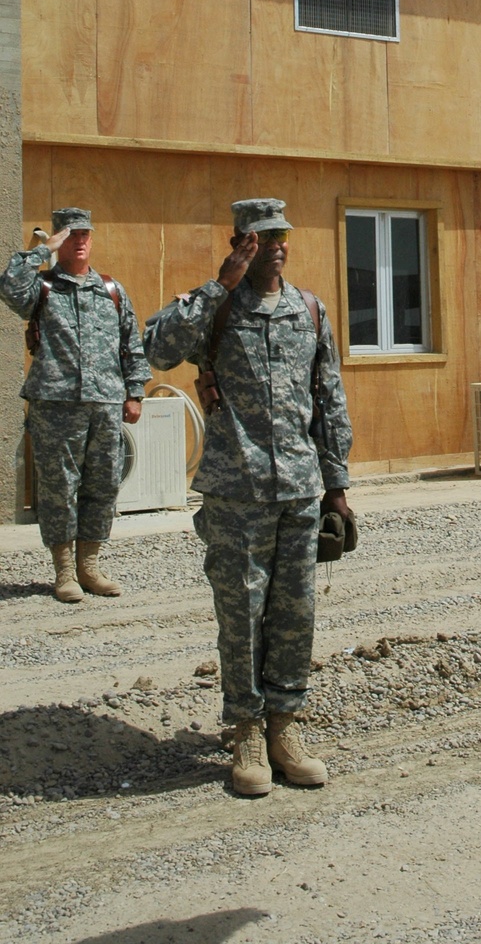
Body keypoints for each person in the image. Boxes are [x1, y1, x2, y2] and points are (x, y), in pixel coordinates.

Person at [142, 198, 353, 799]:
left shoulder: (308, 310)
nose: (277, 245)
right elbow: (157, 348)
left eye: (283, 234)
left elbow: (329, 398)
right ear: (240, 242)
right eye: (263, 237)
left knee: (295, 615)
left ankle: (284, 728)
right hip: (236, 492)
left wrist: (336, 485)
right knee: (241, 614)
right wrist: (219, 285)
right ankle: (246, 732)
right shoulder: (217, 308)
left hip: (300, 488)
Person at [0, 207, 150, 603]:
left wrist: (134, 392)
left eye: (85, 234)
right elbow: (8, 285)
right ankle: (64, 570)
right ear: (59, 240)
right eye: (70, 235)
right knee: (59, 487)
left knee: (103, 484)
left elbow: (129, 344)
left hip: (104, 402)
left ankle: (90, 566)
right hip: (56, 404)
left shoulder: (111, 290)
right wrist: (39, 253)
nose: (80, 241)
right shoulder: (43, 288)